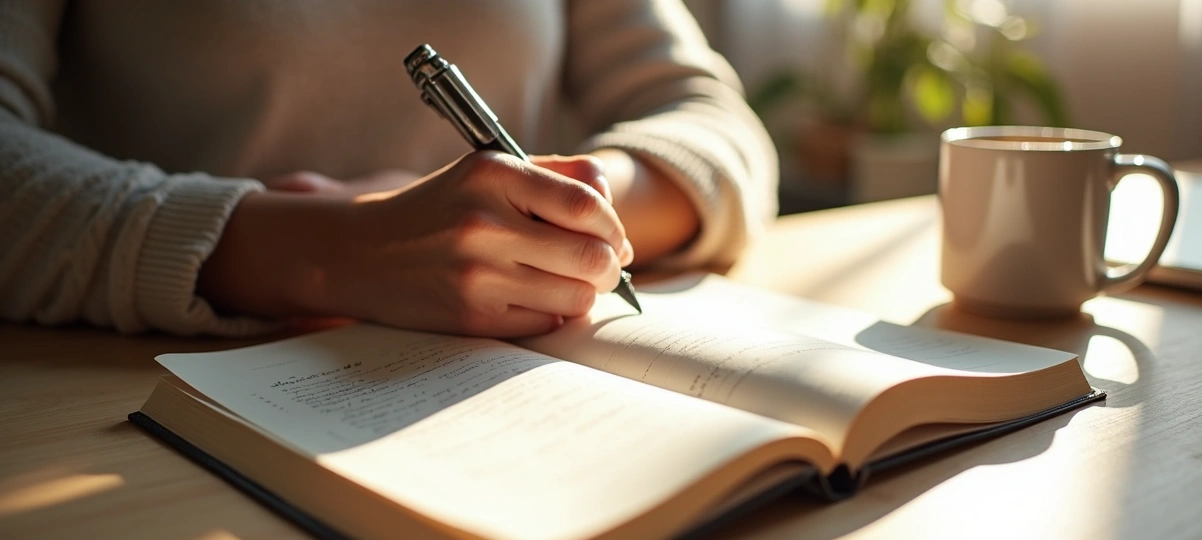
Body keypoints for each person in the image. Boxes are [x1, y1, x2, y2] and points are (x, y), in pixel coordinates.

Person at [0, 0, 778, 338]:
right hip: (146, 392)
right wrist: (331, 252)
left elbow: (717, 126)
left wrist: (541, 215)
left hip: (490, 377)